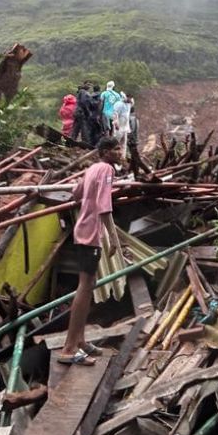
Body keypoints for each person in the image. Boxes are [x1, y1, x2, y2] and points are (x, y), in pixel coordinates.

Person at [58, 137, 123, 366]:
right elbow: (105, 206)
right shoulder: (106, 169)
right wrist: (114, 238)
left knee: (89, 284)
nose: (119, 152)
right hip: (91, 234)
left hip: (81, 231)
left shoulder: (92, 168)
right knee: (85, 287)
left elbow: (76, 194)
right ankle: (68, 348)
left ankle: (82, 341)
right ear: (105, 152)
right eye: (115, 149)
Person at [112, 92, 132, 157]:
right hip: (119, 126)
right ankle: (114, 156)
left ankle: (122, 157)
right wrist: (116, 123)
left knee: (124, 143)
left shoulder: (128, 105)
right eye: (129, 98)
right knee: (116, 142)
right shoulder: (118, 104)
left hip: (125, 127)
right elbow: (115, 114)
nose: (130, 100)